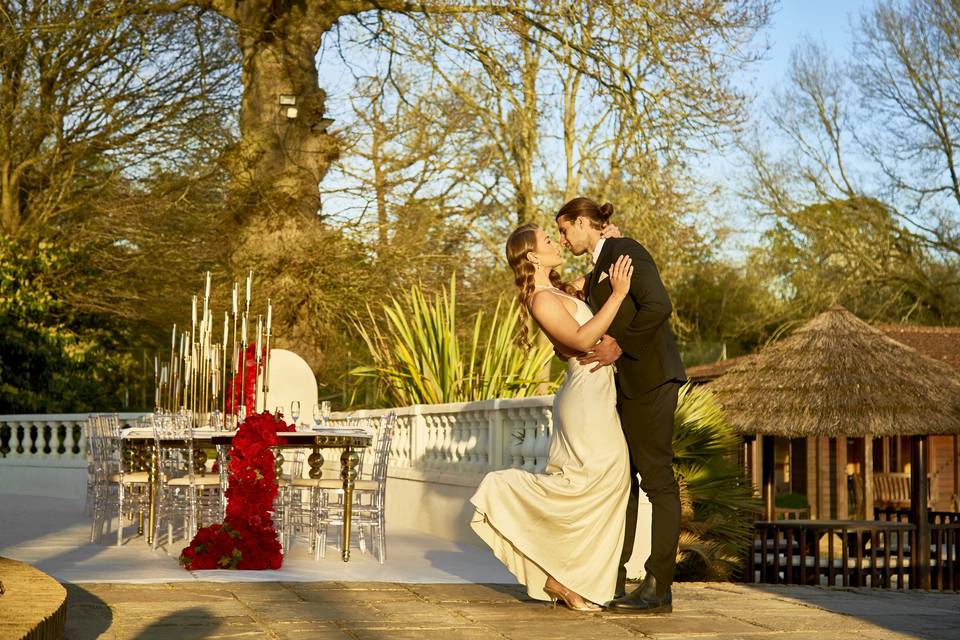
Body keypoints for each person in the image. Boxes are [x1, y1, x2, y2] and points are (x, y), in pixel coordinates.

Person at [469, 223, 635, 611]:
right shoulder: (541, 299)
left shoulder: (560, 290)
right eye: (547, 240)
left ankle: (564, 579)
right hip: (584, 400)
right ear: (531, 257)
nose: (555, 242)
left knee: (603, 483)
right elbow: (579, 340)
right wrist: (620, 296)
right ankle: (502, 494)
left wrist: (608, 238)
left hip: (597, 394)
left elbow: (597, 269)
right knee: (594, 481)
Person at [555, 197, 686, 613]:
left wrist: (621, 346)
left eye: (563, 230)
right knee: (621, 483)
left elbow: (659, 305)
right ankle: (612, 574)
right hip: (622, 389)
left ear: (581, 222)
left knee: (658, 482)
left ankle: (658, 586)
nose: (562, 238)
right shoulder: (600, 262)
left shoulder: (625, 250)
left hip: (650, 381)